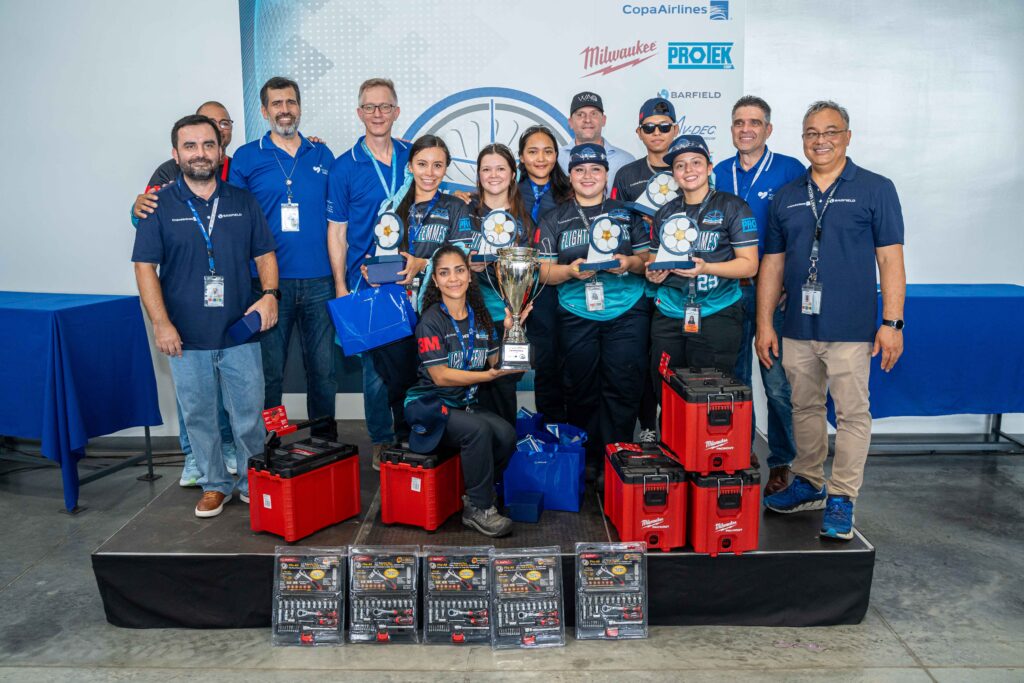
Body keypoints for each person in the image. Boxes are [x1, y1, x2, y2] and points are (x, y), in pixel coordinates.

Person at [758, 100, 905, 541]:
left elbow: (890, 260)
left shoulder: (876, 188)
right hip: (798, 327)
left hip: (851, 328)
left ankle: (842, 497)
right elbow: (772, 264)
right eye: (811, 133)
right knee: (803, 406)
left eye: (830, 132)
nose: (820, 140)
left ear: (848, 137)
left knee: (852, 413)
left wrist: (892, 322)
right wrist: (765, 323)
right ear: (802, 138)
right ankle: (808, 482)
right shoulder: (788, 195)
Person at [132, 114, 279, 518]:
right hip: (185, 335)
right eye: (191, 146)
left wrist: (269, 295)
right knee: (198, 417)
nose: (201, 153)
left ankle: (253, 481)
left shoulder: (242, 201)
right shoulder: (158, 206)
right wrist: (161, 323)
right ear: (176, 154)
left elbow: (264, 253)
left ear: (221, 150)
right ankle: (215, 484)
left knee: (249, 416)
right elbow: (144, 267)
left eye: (208, 145)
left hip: (239, 331)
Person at [130, 101, 240, 486]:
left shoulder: (236, 166)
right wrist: (134, 206)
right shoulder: (169, 172)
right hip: (184, 306)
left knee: (232, 391)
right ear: (179, 150)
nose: (212, 137)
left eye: (222, 125)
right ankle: (194, 456)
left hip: (232, 305)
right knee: (192, 394)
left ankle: (226, 450)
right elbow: (144, 216)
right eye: (199, 136)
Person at [229, 77, 338, 439]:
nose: (285, 110)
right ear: (264, 110)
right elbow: (236, 222)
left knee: (322, 370)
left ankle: (324, 441)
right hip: (268, 285)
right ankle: (272, 441)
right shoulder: (247, 157)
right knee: (270, 373)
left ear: (300, 107)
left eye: (290, 102)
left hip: (320, 280)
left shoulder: (322, 154)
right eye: (276, 104)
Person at [713, 95, 806, 495]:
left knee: (778, 383)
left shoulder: (790, 170)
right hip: (730, 291)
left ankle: (783, 461)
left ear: (768, 129)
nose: (745, 129)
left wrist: (791, 282)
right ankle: (740, 452)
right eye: (738, 122)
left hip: (774, 294)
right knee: (735, 380)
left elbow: (802, 233)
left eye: (754, 122)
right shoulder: (718, 171)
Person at [539, 143, 649, 477]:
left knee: (623, 384)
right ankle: (587, 458)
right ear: (570, 176)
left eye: (596, 170)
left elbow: (648, 262)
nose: (588, 176)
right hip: (576, 311)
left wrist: (629, 262)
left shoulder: (627, 213)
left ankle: (616, 456)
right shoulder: (553, 218)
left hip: (627, 311)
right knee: (581, 387)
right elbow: (543, 271)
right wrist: (570, 272)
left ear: (606, 174)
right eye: (580, 170)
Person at [363, 135, 474, 451]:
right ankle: (401, 442)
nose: (429, 172)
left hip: (437, 311)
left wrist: (422, 263)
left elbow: (463, 256)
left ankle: (436, 439)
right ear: (410, 166)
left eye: (438, 165)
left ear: (446, 169)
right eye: (422, 164)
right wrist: (373, 270)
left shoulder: (456, 207)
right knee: (397, 382)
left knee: (432, 379)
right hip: (396, 310)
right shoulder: (392, 207)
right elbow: (382, 251)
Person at [404, 246, 522, 537]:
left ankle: (477, 494)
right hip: (428, 404)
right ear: (435, 281)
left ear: (470, 276)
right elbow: (441, 376)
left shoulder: (479, 317)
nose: (453, 278)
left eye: (459, 270)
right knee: (478, 430)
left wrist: (512, 329)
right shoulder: (431, 320)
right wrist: (486, 376)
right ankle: (478, 510)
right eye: (444, 273)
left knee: (506, 434)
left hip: (463, 404)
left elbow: (497, 362)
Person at [327, 77, 411, 468]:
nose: (378, 114)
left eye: (385, 106)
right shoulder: (344, 167)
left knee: (414, 363)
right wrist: (341, 285)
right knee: (375, 372)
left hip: (412, 279)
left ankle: (415, 434)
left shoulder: (413, 157)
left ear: (397, 111)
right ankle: (381, 439)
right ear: (359, 113)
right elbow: (337, 232)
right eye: (370, 107)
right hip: (367, 283)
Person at [645, 134, 759, 397]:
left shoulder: (733, 207)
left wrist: (706, 268)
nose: (688, 170)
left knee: (709, 396)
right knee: (667, 393)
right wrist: (655, 274)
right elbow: (653, 264)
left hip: (716, 312)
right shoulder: (664, 213)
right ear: (673, 173)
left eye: (696, 162)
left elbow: (749, 266)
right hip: (670, 313)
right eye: (680, 165)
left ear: (709, 167)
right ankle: (671, 441)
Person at [611, 96, 680, 444]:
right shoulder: (627, 175)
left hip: (682, 284)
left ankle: (676, 430)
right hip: (640, 281)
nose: (657, 133)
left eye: (664, 127)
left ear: (676, 129)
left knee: (672, 362)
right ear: (639, 132)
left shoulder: (689, 168)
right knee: (640, 359)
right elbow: (614, 227)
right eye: (650, 127)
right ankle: (647, 426)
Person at [466, 143, 534, 426]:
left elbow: (534, 270)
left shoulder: (525, 217)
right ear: (479, 175)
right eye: (486, 169)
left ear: (513, 173)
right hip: (470, 317)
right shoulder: (465, 212)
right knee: (470, 390)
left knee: (504, 389)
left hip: (509, 319)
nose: (493, 175)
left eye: (500, 168)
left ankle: (504, 457)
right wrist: (466, 263)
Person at [517, 125, 572, 423]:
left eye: (548, 151)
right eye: (533, 151)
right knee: (543, 362)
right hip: (516, 290)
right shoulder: (508, 193)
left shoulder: (570, 193)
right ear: (522, 157)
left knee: (562, 358)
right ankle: (547, 424)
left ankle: (569, 429)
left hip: (558, 288)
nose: (541, 158)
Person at [557, 92, 635, 190]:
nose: (588, 120)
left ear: (603, 120)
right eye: (580, 114)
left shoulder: (625, 161)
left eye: (594, 114)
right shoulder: (556, 159)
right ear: (571, 122)